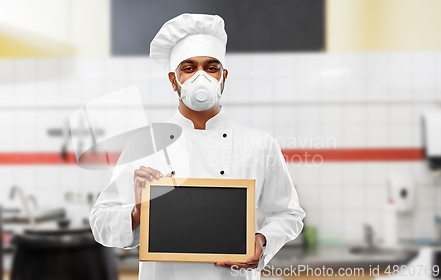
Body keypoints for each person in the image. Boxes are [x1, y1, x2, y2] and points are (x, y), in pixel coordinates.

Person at [90, 13, 305, 280]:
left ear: (223, 77)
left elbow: (289, 213)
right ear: (173, 80)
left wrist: (262, 241)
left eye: (211, 67)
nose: (200, 77)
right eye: (189, 68)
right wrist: (138, 212)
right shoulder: (145, 144)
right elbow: (100, 223)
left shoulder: (259, 144)